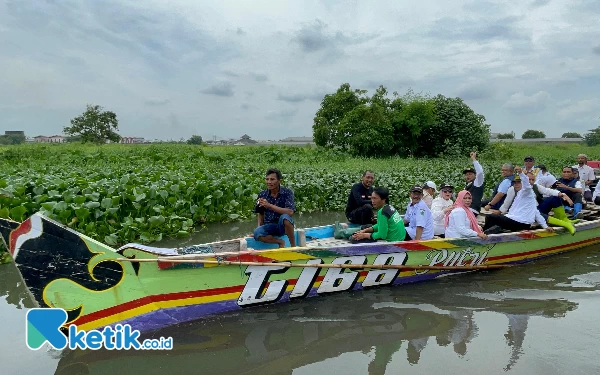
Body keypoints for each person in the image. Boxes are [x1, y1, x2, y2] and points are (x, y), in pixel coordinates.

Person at [483, 167, 553, 233]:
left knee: (490, 217)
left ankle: (484, 235)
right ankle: (491, 233)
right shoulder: (519, 194)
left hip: (521, 223)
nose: (516, 184)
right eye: (515, 182)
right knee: (495, 219)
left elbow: (526, 184)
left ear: (522, 183)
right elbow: (536, 213)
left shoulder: (527, 192)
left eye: (519, 182)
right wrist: (545, 226)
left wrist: (521, 173)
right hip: (515, 220)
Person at [253, 168, 296, 248]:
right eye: (267, 179)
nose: (269, 182)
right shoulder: (262, 194)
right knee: (257, 233)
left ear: (279, 181)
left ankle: (293, 246)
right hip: (269, 226)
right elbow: (260, 213)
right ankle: (280, 242)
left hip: (282, 226)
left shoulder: (287, 192)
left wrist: (269, 205)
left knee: (285, 217)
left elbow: (290, 212)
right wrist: (259, 228)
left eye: (272, 179)